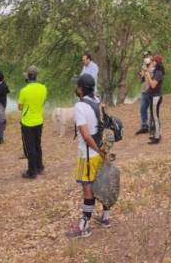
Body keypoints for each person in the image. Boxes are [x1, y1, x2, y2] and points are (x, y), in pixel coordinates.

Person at [67, 73, 110, 239]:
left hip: (88, 154)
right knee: (102, 183)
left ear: (80, 89)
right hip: (101, 150)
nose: (76, 88)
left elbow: (85, 135)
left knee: (88, 189)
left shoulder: (79, 106)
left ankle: (84, 226)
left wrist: (97, 150)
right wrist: (102, 151)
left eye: (77, 86)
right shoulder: (98, 101)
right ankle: (106, 217)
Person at [18, 65, 47, 179]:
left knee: (30, 147)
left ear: (28, 77)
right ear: (36, 76)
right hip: (39, 120)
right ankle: (40, 167)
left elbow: (20, 107)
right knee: (37, 144)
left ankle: (32, 171)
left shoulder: (24, 91)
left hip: (27, 122)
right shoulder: (43, 88)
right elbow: (43, 102)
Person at [145, 55, 165, 145]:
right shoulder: (155, 71)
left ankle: (157, 137)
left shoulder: (158, 73)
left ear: (157, 62)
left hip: (156, 97)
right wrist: (147, 74)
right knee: (153, 116)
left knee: (155, 117)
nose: (152, 62)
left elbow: (153, 85)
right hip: (153, 96)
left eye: (153, 61)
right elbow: (149, 83)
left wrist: (148, 76)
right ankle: (155, 134)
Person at [136, 52, 154, 135]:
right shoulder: (143, 66)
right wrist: (141, 73)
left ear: (151, 56)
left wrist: (147, 69)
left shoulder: (154, 66)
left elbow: (153, 77)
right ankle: (144, 126)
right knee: (142, 109)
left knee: (152, 109)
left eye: (147, 56)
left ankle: (153, 126)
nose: (146, 58)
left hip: (151, 91)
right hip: (144, 90)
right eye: (144, 56)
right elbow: (141, 77)